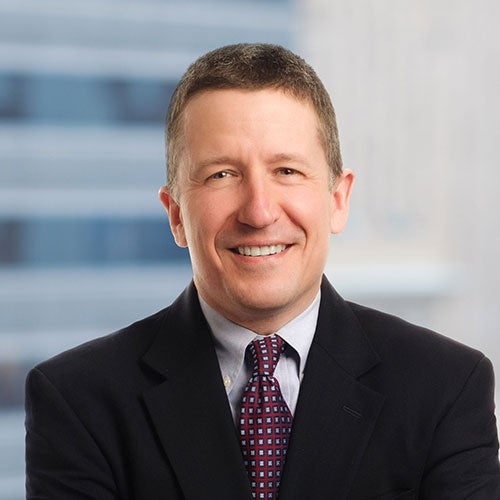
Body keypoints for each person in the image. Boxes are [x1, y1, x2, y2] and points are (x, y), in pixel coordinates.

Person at [25, 43, 500, 499]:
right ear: (176, 215)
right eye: (222, 175)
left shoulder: (446, 387)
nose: (259, 211)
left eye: (287, 171)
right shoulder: (78, 401)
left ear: (338, 200)